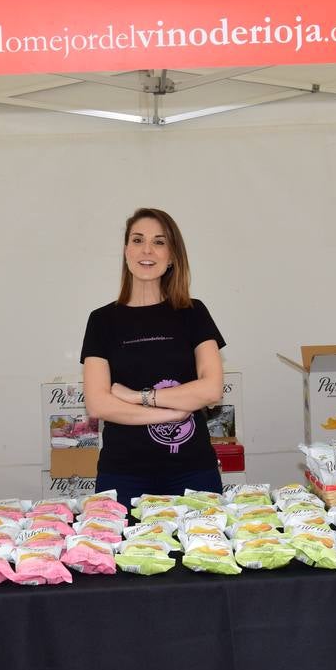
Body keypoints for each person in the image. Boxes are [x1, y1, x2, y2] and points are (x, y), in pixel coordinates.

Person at [80, 207, 226, 508]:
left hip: (193, 472)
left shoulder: (193, 313)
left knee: (204, 553)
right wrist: (172, 413)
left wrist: (136, 397)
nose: (147, 250)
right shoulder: (101, 321)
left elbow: (211, 389)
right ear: (125, 251)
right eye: (137, 240)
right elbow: (98, 403)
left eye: (159, 242)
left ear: (172, 255)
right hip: (122, 474)